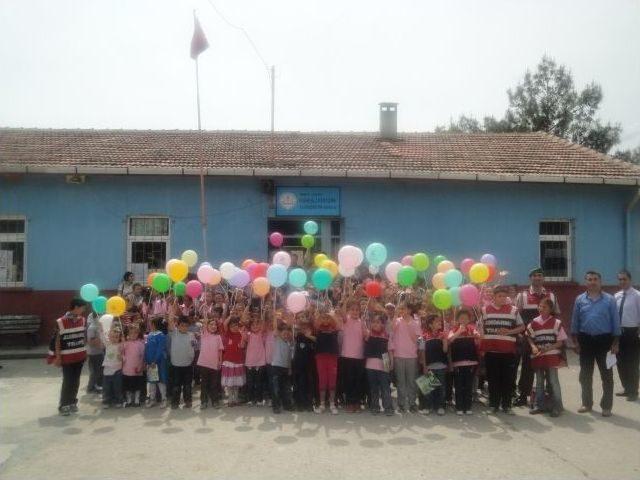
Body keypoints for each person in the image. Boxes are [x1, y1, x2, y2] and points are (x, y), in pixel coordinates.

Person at [571, 271, 621, 417]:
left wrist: (616, 343)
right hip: (585, 340)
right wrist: (575, 342)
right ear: (586, 282)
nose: (592, 282)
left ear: (600, 281)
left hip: (605, 341)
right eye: (590, 279)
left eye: (595, 279)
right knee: (585, 374)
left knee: (607, 375)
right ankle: (586, 403)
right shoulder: (580, 299)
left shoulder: (610, 300)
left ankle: (606, 406)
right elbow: (575, 321)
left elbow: (615, 322)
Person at [514, 268, 559, 406]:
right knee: (527, 368)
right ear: (530, 278)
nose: (537, 278)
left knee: (548, 369)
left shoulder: (551, 296)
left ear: (543, 278)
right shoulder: (522, 296)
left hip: (547, 340)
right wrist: (521, 335)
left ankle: (550, 397)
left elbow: (556, 315)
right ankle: (523, 396)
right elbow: (516, 317)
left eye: (540, 275)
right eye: (535, 276)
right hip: (529, 339)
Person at [479, 285, 525, 415]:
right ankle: (494, 404)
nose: (503, 298)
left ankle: (507, 405)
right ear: (493, 297)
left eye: (505, 296)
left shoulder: (513, 310)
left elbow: (522, 327)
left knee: (508, 379)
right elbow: (480, 328)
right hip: (491, 351)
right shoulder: (485, 310)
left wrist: (510, 331)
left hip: (508, 351)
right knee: (493, 379)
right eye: (500, 296)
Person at [48, 297, 88, 416]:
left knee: (76, 380)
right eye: (82, 308)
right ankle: (64, 404)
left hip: (79, 356)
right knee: (68, 380)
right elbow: (57, 341)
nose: (83, 310)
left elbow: (83, 337)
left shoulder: (83, 320)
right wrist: (58, 357)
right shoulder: (61, 322)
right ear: (76, 307)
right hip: (67, 357)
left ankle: (72, 402)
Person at [527, 298, 567, 417]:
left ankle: (557, 406)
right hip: (538, 356)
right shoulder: (533, 322)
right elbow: (529, 337)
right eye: (540, 306)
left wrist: (548, 348)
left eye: (544, 307)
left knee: (553, 382)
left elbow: (560, 342)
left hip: (552, 356)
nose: (541, 309)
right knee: (539, 382)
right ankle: (540, 405)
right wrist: (533, 346)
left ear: (551, 309)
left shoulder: (556, 323)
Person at [614, 269, 640, 401]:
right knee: (620, 362)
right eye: (620, 279)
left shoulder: (637, 295)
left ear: (630, 280)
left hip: (632, 333)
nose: (622, 282)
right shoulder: (616, 296)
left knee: (632, 363)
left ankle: (633, 391)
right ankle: (626, 388)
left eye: (624, 279)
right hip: (619, 334)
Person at [448, 309, 480, 415]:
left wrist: (477, 334)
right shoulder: (454, 329)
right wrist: (459, 331)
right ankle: (459, 407)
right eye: (461, 318)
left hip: (471, 363)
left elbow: (478, 336)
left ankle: (468, 406)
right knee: (458, 385)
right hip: (458, 363)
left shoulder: (472, 328)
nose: (464, 320)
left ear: (469, 319)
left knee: (468, 386)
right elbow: (450, 340)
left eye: (466, 318)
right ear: (457, 319)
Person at [392, 302, 421, 413]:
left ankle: (412, 403)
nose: (402, 311)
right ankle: (401, 404)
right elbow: (391, 329)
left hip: (411, 356)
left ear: (409, 310)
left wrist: (419, 352)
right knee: (401, 381)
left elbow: (418, 339)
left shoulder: (415, 322)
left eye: (404, 309)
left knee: (411, 381)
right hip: (398, 355)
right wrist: (395, 315)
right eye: (401, 309)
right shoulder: (398, 321)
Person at [338, 299, 366, 413]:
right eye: (352, 310)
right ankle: (349, 402)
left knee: (357, 381)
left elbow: (365, 336)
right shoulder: (346, 320)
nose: (355, 312)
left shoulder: (362, 322)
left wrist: (365, 329)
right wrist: (346, 298)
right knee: (348, 380)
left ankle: (357, 402)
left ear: (360, 311)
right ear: (349, 311)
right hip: (347, 356)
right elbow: (342, 312)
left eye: (357, 310)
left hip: (359, 356)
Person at [364, 313, 394, 416]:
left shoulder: (387, 335)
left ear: (383, 324)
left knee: (385, 387)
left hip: (384, 362)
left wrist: (391, 362)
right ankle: (375, 406)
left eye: (378, 322)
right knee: (374, 388)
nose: (375, 324)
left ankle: (388, 408)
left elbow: (390, 350)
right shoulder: (368, 334)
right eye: (373, 322)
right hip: (370, 364)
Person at [167, 310, 196, 409]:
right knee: (176, 385)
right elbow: (170, 322)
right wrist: (173, 307)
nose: (184, 327)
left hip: (188, 365)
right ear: (178, 325)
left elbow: (193, 347)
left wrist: (192, 357)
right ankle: (175, 402)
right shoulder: (174, 333)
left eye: (186, 326)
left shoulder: (191, 335)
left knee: (187, 385)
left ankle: (188, 401)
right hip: (176, 365)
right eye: (182, 325)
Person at [420, 314, 448, 415]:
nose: (439, 323)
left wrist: (445, 339)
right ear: (430, 324)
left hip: (441, 366)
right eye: (437, 321)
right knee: (428, 389)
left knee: (441, 388)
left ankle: (441, 406)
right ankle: (428, 406)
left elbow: (445, 350)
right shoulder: (423, 336)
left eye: (440, 321)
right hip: (429, 366)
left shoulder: (443, 334)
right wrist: (424, 366)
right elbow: (422, 352)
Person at [313, 311, 341, 414]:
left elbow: (337, 323)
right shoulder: (318, 329)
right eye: (323, 318)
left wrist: (330, 314)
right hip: (320, 357)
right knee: (322, 380)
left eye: (327, 318)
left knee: (332, 380)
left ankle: (332, 404)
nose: (325, 320)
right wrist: (321, 314)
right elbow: (316, 322)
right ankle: (322, 404)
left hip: (332, 357)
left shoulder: (334, 329)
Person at [197, 315, 224, 409]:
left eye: (215, 325)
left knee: (214, 384)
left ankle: (215, 401)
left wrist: (220, 361)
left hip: (214, 364)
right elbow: (204, 323)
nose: (213, 326)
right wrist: (205, 314)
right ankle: (203, 401)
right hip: (204, 364)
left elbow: (220, 350)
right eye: (211, 324)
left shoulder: (218, 337)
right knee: (204, 384)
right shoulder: (204, 334)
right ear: (207, 326)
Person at [221, 316, 247, 406]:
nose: (234, 327)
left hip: (238, 362)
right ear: (229, 327)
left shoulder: (240, 334)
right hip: (229, 362)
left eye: (236, 325)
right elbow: (224, 323)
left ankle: (235, 399)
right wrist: (231, 315)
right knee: (229, 383)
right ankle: (230, 399)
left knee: (236, 383)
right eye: (232, 326)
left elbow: (243, 346)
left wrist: (243, 337)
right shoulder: (227, 334)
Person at [293, 316, 316, 411]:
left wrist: (309, 335)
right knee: (300, 384)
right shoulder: (299, 336)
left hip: (309, 366)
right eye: (302, 328)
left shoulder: (312, 338)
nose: (304, 329)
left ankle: (309, 403)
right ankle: (300, 403)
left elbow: (316, 340)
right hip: (299, 365)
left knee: (309, 384)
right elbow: (295, 334)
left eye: (307, 328)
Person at [270, 322, 294, 414]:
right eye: (284, 333)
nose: (286, 335)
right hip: (276, 367)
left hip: (285, 368)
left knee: (286, 388)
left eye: (288, 334)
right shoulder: (277, 340)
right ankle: (276, 406)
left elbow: (289, 358)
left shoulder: (289, 345)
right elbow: (276, 328)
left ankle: (286, 405)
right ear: (280, 333)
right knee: (276, 388)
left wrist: (290, 368)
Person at [144, 316, 168, 408]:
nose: (150, 325)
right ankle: (152, 399)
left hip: (159, 362)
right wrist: (146, 360)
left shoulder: (161, 335)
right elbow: (146, 348)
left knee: (160, 381)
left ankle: (164, 399)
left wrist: (155, 360)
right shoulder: (149, 335)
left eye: (151, 323)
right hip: (150, 363)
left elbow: (160, 349)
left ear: (155, 324)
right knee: (152, 382)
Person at [102, 325, 125, 409]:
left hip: (117, 369)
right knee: (106, 387)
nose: (114, 338)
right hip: (107, 369)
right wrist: (101, 329)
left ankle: (118, 400)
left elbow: (124, 356)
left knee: (117, 386)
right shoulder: (108, 344)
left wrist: (122, 357)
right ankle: (106, 400)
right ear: (109, 336)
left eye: (116, 337)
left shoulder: (120, 345)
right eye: (112, 336)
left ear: (119, 338)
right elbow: (103, 338)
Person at [122, 324, 145, 407]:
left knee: (137, 386)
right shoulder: (125, 343)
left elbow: (142, 356)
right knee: (128, 386)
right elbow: (121, 354)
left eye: (135, 333)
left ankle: (136, 400)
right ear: (128, 333)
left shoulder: (140, 344)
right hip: (127, 369)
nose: (133, 335)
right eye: (131, 333)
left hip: (137, 369)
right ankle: (129, 400)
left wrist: (141, 366)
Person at [245, 319, 267, 406]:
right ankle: (250, 399)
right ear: (250, 327)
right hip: (250, 362)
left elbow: (263, 325)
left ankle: (259, 399)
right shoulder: (248, 335)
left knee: (259, 382)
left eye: (257, 325)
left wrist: (264, 313)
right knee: (250, 382)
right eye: (253, 325)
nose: (255, 326)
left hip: (260, 361)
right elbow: (244, 338)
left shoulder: (262, 334)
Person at [85, 307, 105, 394]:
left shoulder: (98, 327)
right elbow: (91, 341)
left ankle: (97, 385)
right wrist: (101, 345)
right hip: (94, 353)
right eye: (99, 316)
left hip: (99, 351)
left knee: (100, 370)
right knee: (95, 371)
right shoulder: (92, 327)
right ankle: (91, 387)